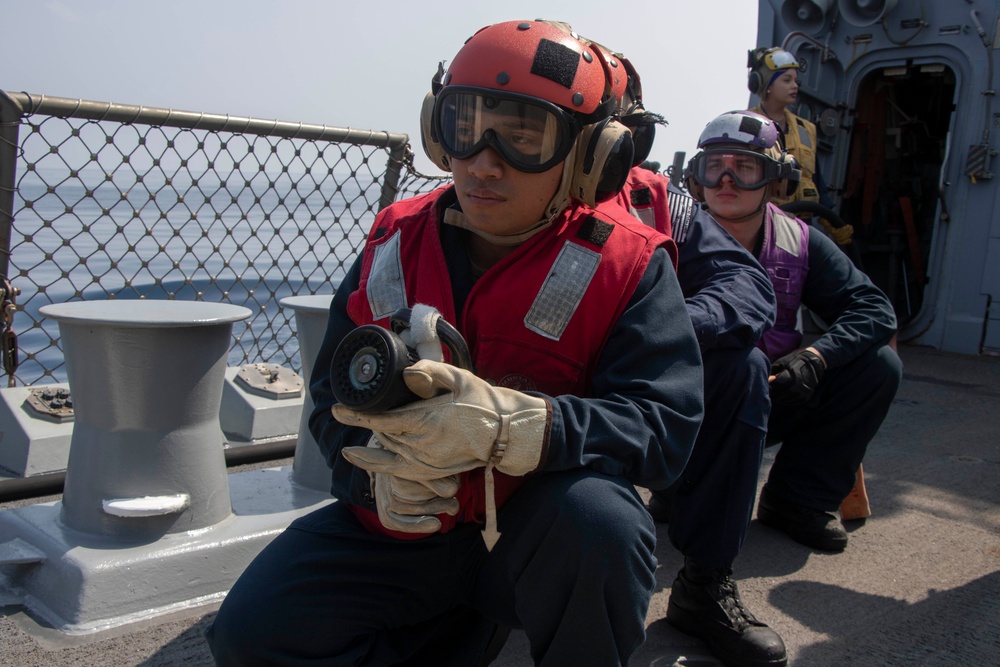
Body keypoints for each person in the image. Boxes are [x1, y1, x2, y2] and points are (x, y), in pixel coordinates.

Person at [204, 19, 704, 667]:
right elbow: (333, 393)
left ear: (590, 157)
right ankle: (448, 632)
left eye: (525, 136)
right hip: (405, 527)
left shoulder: (626, 262)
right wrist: (370, 484)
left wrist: (521, 427)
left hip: (536, 528)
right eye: (465, 126)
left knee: (602, 527)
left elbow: (665, 430)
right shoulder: (394, 240)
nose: (484, 161)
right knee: (250, 633)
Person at [591, 43, 788, 667]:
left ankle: (703, 584)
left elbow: (746, 287)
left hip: (610, 382)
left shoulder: (659, 203)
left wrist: (652, 330)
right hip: (514, 395)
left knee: (743, 368)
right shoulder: (476, 204)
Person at [683, 110, 902, 556]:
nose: (727, 180)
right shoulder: (668, 234)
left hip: (767, 397)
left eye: (745, 167)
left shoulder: (800, 242)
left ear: (774, 179)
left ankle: (798, 500)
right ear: (696, 176)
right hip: (686, 409)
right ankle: (674, 484)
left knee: (878, 366)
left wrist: (815, 357)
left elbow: (874, 309)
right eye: (715, 167)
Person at [747, 47, 819, 207]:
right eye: (787, 80)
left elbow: (817, 181)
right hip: (763, 220)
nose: (795, 86)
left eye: (796, 81)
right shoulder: (746, 124)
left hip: (801, 222)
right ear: (767, 85)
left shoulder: (806, 129)